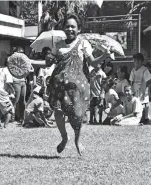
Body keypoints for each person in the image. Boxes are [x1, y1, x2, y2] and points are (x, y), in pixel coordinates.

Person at [46, 14, 111, 156]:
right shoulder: (58, 45)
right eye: (67, 26)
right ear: (63, 28)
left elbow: (93, 62)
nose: (69, 29)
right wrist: (48, 59)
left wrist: (105, 55)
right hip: (59, 86)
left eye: (73, 26)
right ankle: (64, 137)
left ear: (79, 29)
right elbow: (49, 62)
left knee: (77, 115)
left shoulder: (83, 44)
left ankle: (77, 140)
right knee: (58, 113)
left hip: (77, 88)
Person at [0, 59, 15, 128]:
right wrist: (13, 91)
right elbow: (8, 83)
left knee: (1, 106)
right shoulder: (8, 72)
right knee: (10, 110)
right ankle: (6, 125)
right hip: (1, 91)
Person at [130, 53, 151, 124]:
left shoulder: (144, 70)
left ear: (140, 61)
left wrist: (146, 90)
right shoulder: (133, 70)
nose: (134, 63)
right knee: (136, 103)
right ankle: (137, 116)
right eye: (134, 61)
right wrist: (131, 89)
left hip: (143, 89)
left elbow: (150, 81)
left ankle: (146, 118)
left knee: (144, 103)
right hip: (135, 89)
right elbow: (131, 80)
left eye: (136, 61)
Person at [11, 46, 27, 123]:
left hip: (23, 81)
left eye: (22, 52)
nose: (21, 54)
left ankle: (22, 117)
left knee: (23, 100)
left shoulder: (24, 61)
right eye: (20, 52)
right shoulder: (11, 60)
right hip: (16, 81)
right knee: (15, 100)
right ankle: (13, 117)